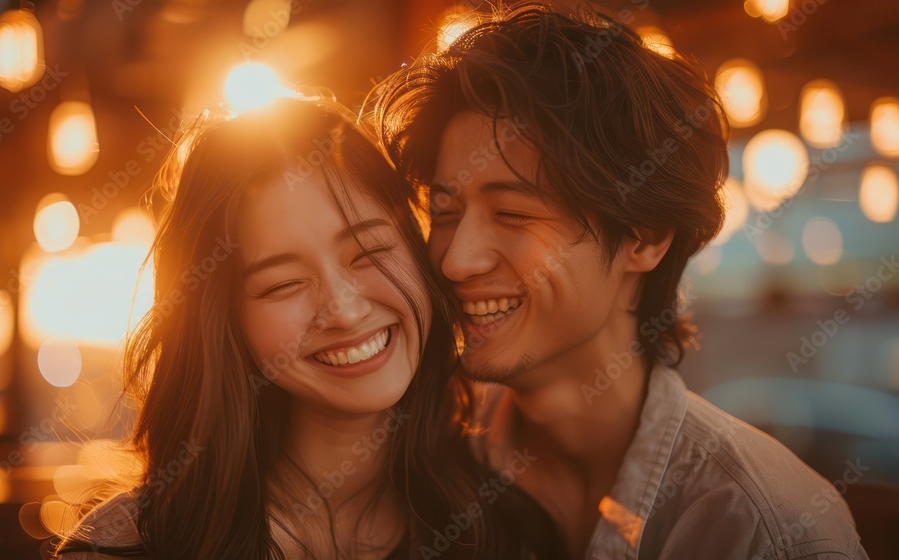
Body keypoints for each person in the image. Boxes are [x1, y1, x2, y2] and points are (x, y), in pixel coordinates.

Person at [368, 2, 869, 559]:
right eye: (445, 213)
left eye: (512, 215)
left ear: (646, 237)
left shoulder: (763, 527)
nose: (456, 261)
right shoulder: (424, 473)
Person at [50, 97, 562, 559]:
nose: (342, 309)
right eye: (283, 284)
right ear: (225, 322)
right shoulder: (134, 545)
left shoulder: (512, 535)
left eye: (368, 252)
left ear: (418, 250)